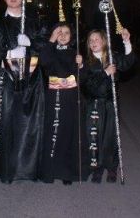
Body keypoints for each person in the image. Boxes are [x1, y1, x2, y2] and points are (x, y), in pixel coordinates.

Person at [0, 0, 48, 183]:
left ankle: (29, 170)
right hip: (8, 78)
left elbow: (45, 46)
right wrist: (10, 49)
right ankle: (7, 170)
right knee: (7, 122)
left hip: (32, 79)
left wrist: (31, 44)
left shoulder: (35, 22)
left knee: (31, 124)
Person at [81, 28, 135, 183]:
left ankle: (111, 168)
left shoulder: (113, 57)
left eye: (96, 39)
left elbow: (128, 63)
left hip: (110, 104)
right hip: (94, 105)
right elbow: (88, 86)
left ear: (104, 41)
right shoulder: (86, 63)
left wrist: (126, 41)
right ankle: (96, 168)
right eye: (90, 41)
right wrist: (105, 73)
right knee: (95, 137)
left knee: (111, 137)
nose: (93, 43)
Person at [38, 23, 85, 185]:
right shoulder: (50, 51)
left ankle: (66, 172)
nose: (63, 35)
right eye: (59, 32)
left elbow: (82, 77)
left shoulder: (75, 53)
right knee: (53, 130)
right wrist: (51, 40)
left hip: (70, 96)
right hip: (53, 95)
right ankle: (50, 171)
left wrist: (81, 64)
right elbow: (44, 62)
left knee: (68, 130)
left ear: (72, 36)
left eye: (66, 32)